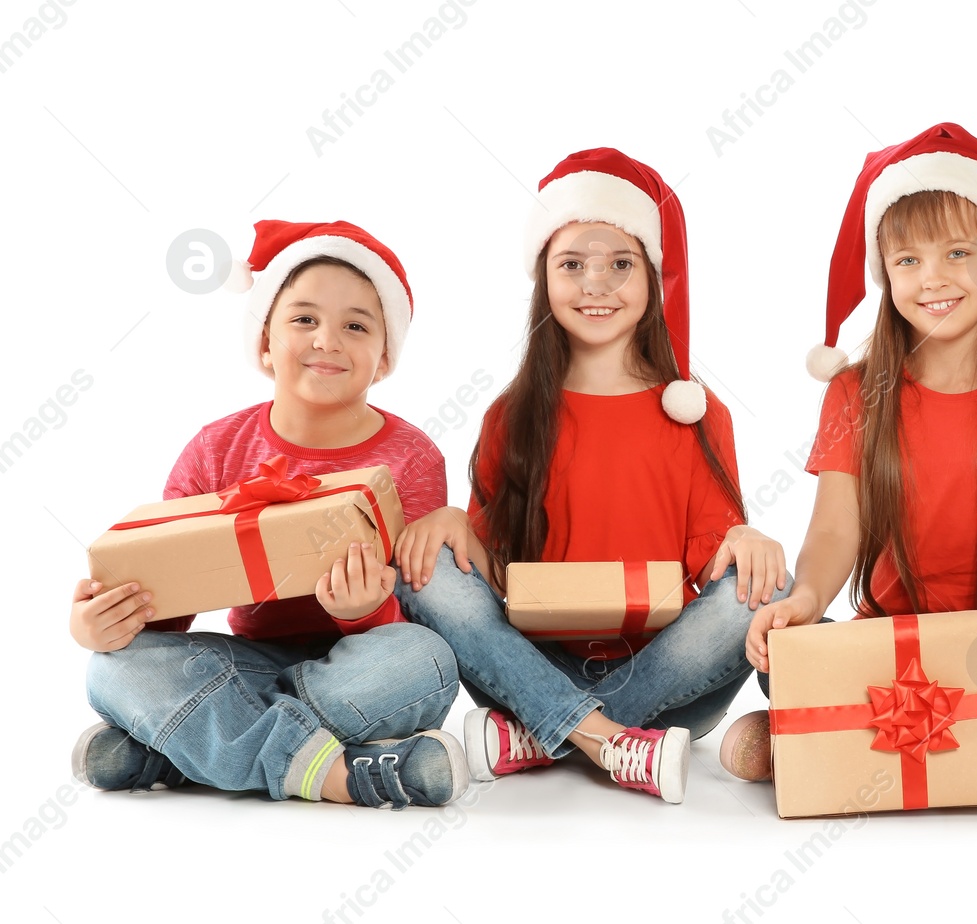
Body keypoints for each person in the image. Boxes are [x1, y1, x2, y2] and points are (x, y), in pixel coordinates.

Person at [723, 123, 977, 785]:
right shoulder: (855, 392)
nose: (933, 279)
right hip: (890, 646)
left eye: (956, 253)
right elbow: (835, 529)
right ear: (885, 275)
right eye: (908, 261)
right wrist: (804, 601)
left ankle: (843, 736)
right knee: (781, 641)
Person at [394, 149, 788, 804]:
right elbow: (490, 574)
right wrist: (453, 523)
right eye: (572, 265)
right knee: (424, 566)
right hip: (529, 666)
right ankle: (607, 739)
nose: (596, 284)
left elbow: (717, 567)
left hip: (667, 685)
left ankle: (549, 732)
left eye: (620, 265)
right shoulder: (510, 415)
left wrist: (746, 538)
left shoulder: (695, 413)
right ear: (544, 280)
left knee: (772, 585)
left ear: (653, 279)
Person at [71, 220, 467, 810]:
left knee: (428, 660)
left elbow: (416, 610)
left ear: (383, 358)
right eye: (304, 319)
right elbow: (171, 605)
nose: (327, 340)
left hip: (356, 667)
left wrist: (363, 614)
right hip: (250, 661)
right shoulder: (216, 449)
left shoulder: (409, 458)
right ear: (263, 343)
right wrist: (108, 624)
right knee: (113, 670)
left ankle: (184, 749)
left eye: (355, 326)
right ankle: (340, 773)